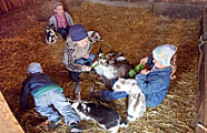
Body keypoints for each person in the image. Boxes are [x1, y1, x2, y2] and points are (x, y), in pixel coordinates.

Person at [90, 44, 177, 107]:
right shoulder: (161, 66)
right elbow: (153, 66)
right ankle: (114, 83)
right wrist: (148, 60)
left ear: (164, 63)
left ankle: (103, 95)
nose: (154, 62)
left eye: (156, 60)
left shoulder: (161, 80)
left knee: (125, 91)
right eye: (154, 59)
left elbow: (145, 89)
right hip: (146, 84)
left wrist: (141, 76)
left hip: (149, 98)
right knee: (128, 79)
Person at [20, 62, 82, 132]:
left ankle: (54, 118)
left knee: (42, 108)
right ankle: (74, 123)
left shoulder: (28, 80)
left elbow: (24, 95)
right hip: (55, 90)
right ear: (40, 70)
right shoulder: (45, 76)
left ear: (29, 73)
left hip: (40, 94)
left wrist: (24, 108)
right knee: (64, 107)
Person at [62, 24, 95, 99]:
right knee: (75, 71)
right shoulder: (70, 51)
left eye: (86, 40)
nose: (85, 43)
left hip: (82, 55)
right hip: (72, 61)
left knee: (92, 56)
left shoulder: (87, 41)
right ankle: (75, 79)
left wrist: (87, 53)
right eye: (82, 42)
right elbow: (70, 65)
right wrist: (83, 68)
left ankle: (89, 69)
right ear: (75, 42)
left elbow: (89, 46)